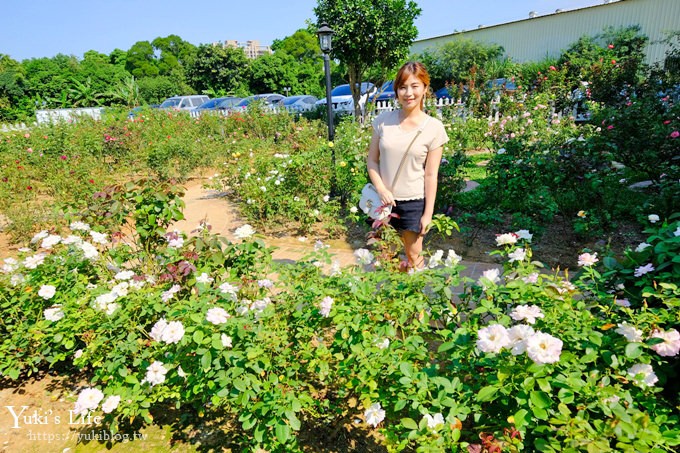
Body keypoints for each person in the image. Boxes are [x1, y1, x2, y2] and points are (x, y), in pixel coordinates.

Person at [367, 62, 449, 270]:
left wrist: (427, 214)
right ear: (396, 91)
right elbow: (372, 160)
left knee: (414, 256)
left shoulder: (434, 128)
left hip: (413, 202)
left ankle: (416, 298)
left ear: (425, 88)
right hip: (383, 203)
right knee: (385, 255)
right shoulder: (383, 122)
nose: (408, 93)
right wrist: (381, 189)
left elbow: (431, 175)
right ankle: (391, 300)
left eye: (415, 86)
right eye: (403, 87)